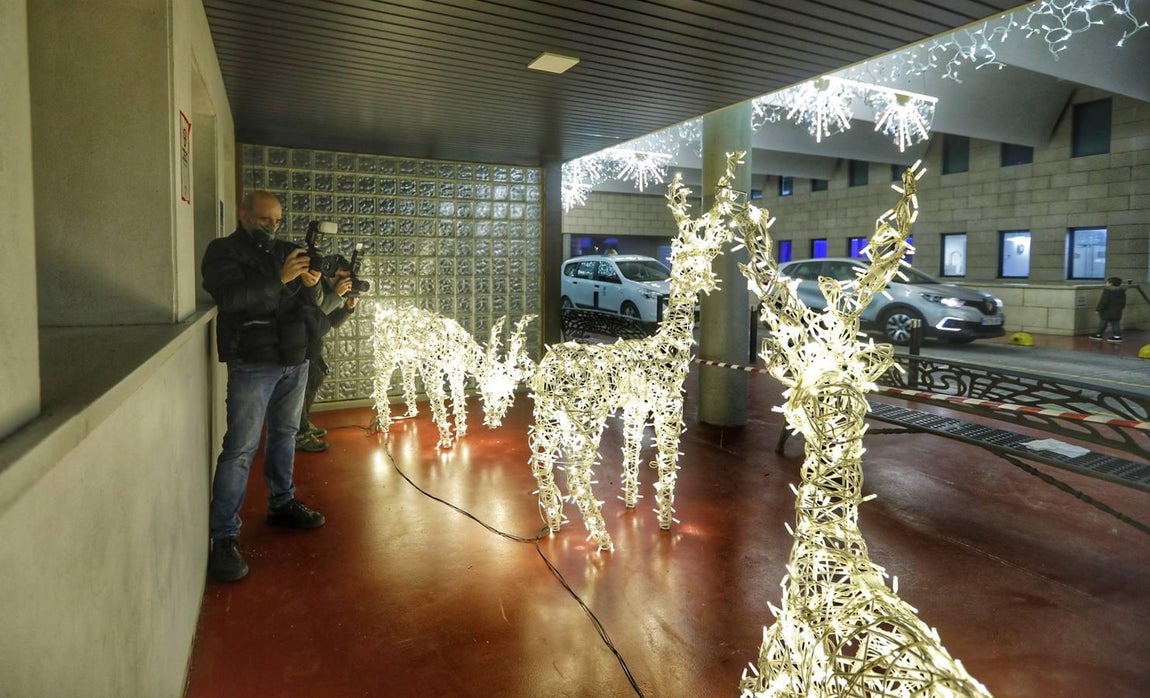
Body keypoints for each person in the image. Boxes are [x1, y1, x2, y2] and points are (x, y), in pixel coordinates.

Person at [201, 190, 329, 582]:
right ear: (243, 214)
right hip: (254, 362)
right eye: (264, 220)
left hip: (295, 357)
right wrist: (279, 278)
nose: (272, 228)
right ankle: (223, 536)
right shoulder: (222, 251)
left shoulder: (285, 250)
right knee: (240, 448)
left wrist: (313, 283)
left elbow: (308, 302)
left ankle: (282, 501)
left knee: (286, 435)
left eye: (277, 221)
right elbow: (231, 298)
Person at [296, 257, 360, 452]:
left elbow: (330, 323)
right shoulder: (313, 285)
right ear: (328, 272)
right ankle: (299, 432)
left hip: (312, 345)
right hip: (299, 344)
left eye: (347, 278)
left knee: (314, 379)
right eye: (341, 277)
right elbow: (314, 315)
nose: (344, 282)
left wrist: (348, 308)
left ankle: (303, 424)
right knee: (301, 389)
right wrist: (338, 296)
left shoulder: (330, 290)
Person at [1091, 276, 1127, 343]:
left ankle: (1098, 334)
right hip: (1117, 311)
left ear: (1111, 283)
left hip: (1107, 311)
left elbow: (1103, 301)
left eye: (1107, 282)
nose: (1106, 283)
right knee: (1116, 323)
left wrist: (1098, 309)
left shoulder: (1107, 291)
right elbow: (1123, 303)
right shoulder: (1122, 292)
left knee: (1103, 322)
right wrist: (1119, 308)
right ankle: (1117, 336)